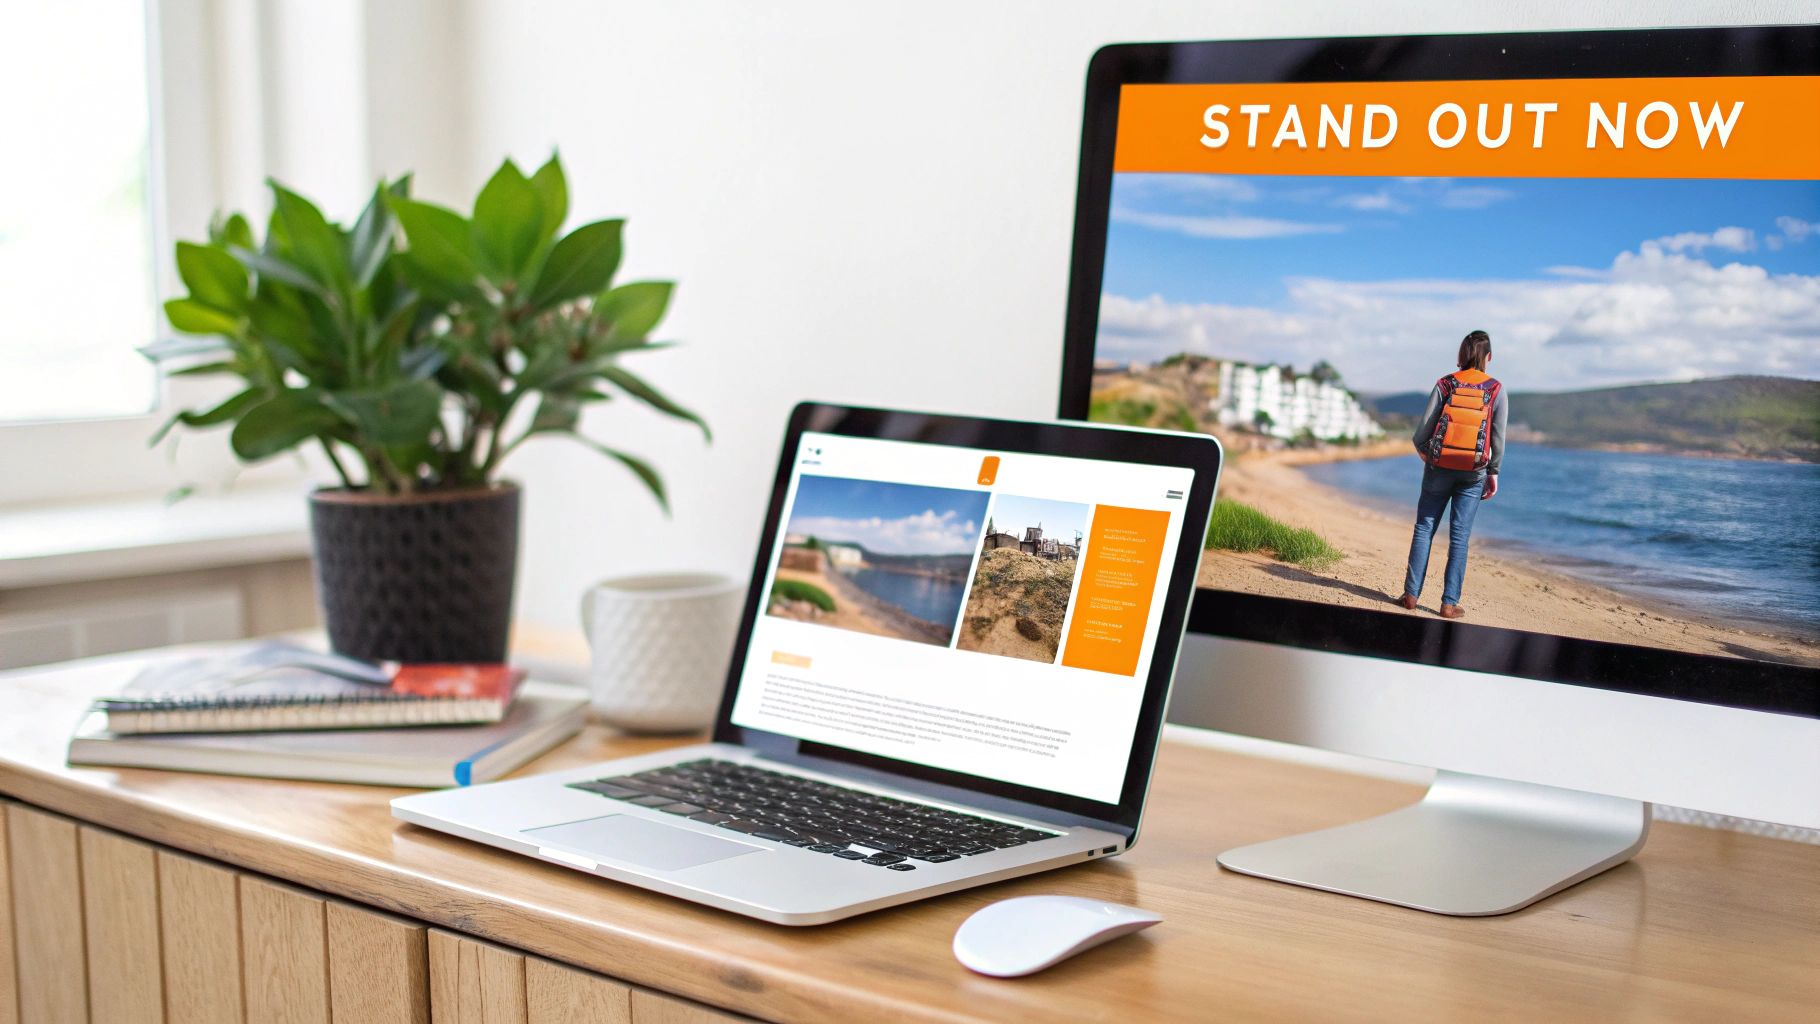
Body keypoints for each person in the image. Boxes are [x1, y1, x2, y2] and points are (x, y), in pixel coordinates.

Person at [1398, 330, 1507, 619]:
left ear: (1461, 355)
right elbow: (1498, 439)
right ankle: (1448, 604)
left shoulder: (1446, 383)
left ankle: (1411, 596)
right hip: (1474, 472)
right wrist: (1493, 473)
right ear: (1489, 357)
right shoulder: (1496, 389)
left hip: (1438, 468)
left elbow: (1421, 433)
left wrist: (1428, 455)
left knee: (1424, 528)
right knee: (1460, 537)